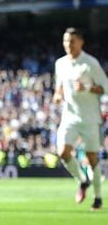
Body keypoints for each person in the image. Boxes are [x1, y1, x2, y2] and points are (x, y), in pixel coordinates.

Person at [53, 27, 108, 212]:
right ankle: (82, 181)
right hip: (69, 116)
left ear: (81, 42)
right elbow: (59, 86)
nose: (68, 45)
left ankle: (98, 198)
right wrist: (57, 96)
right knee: (63, 152)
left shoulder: (90, 63)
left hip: (90, 118)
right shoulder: (60, 63)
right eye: (66, 41)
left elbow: (105, 88)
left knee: (92, 158)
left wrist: (86, 87)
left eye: (72, 41)